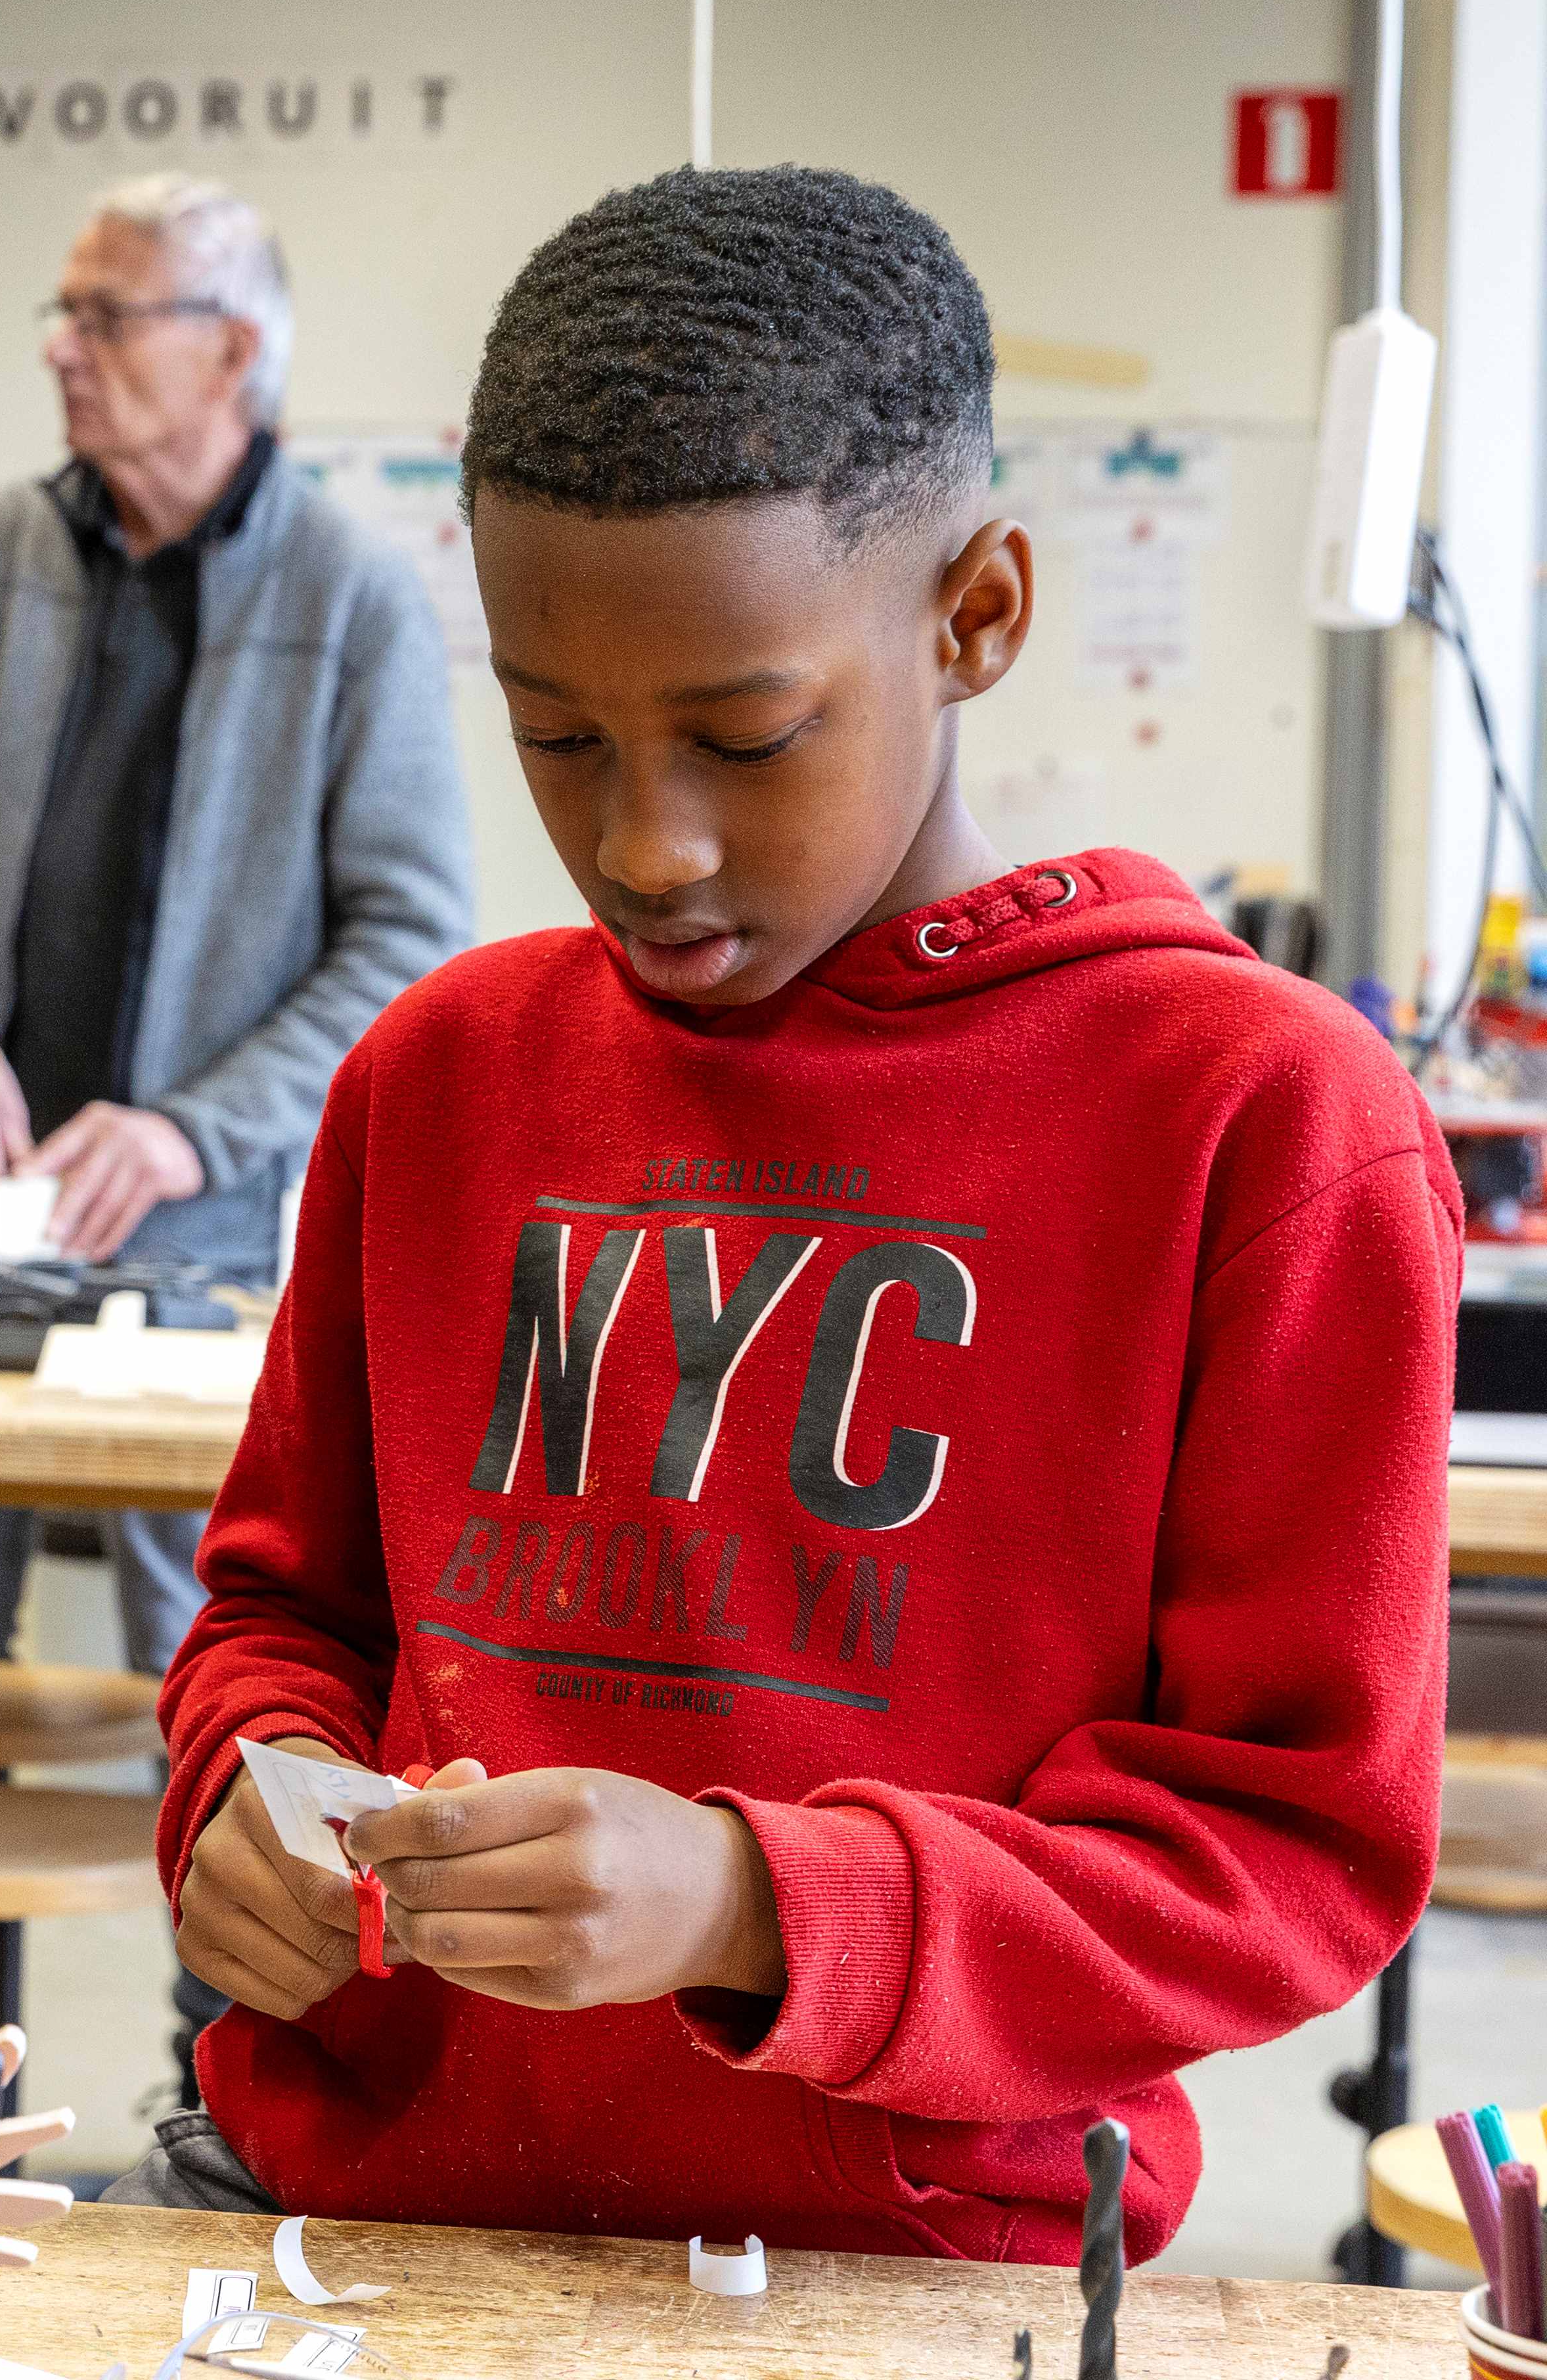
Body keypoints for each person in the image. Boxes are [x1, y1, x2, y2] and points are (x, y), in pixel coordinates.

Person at [131, 166, 1450, 2260]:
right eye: (554, 737)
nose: (643, 843)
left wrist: (759, 1906)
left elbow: (1284, 1844)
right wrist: (247, 1798)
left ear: (978, 614)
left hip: (902, 2275)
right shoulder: (440, 1079)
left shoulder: (1257, 1124)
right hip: (361, 2222)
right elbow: (287, 1620)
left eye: (745, 738)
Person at [0, 173, 470, 2071]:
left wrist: (196, 1130)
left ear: (236, 350)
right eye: (66, 310)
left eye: (111, 316)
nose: (66, 347)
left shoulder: (352, 594)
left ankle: (237, 2102)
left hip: (208, 1263)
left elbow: (409, 934)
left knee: (222, 1702)